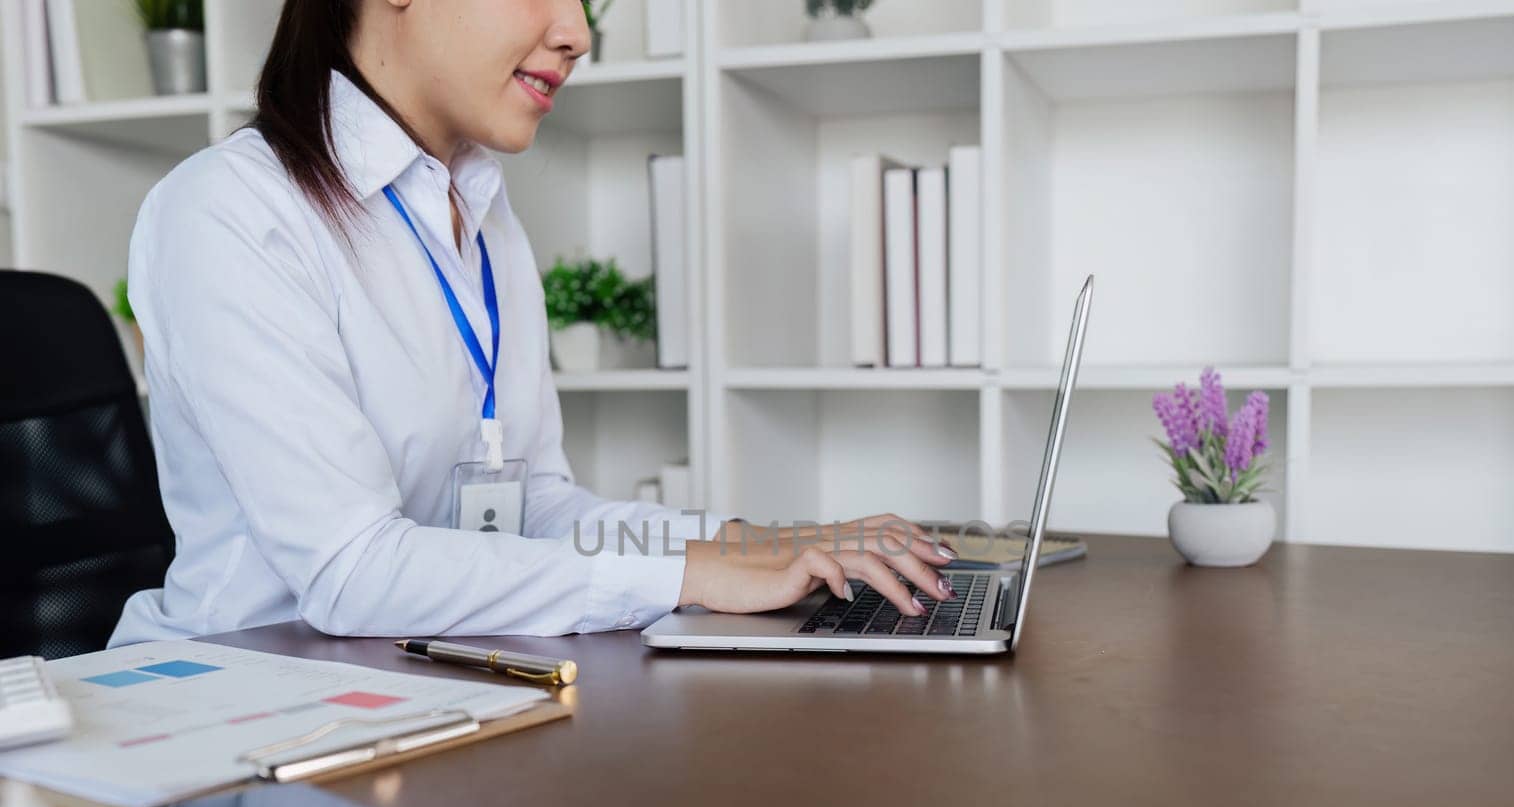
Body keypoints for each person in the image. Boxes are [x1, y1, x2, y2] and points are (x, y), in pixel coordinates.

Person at [109, 0, 955, 647]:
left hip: (415, 684)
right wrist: (689, 573)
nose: (576, 31)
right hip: (236, 710)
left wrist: (763, 545)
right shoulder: (229, 212)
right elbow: (352, 571)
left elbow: (538, 505)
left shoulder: (481, 213)